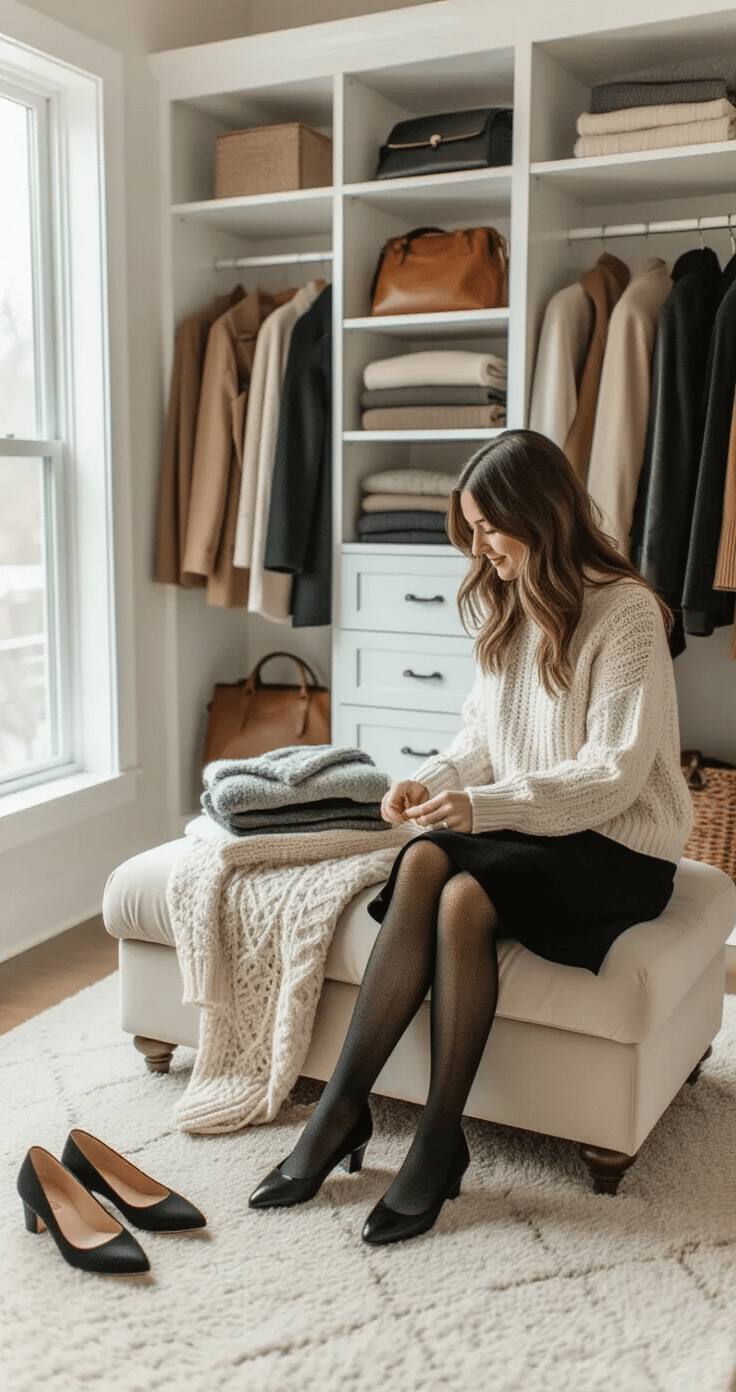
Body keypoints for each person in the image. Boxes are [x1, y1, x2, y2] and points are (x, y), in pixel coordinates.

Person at [248, 430, 693, 1245]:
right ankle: (369, 1117)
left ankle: (411, 1132)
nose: (481, 549)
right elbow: (482, 738)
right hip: (539, 828)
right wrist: (431, 781)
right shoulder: (508, 600)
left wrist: (483, 808)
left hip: (618, 847)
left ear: (542, 515)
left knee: (454, 885)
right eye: (473, 530)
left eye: (491, 528)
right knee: (435, 868)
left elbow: (614, 775)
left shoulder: (626, 610)